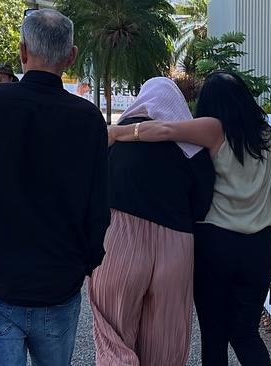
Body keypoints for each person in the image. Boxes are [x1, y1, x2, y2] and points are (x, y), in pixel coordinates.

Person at [0, 9, 110, 366]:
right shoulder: (88, 120)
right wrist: (87, 260)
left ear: (22, 52)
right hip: (59, 285)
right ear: (71, 56)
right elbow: (99, 205)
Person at [108, 71, 271, 366]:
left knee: (214, 334)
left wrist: (117, 133)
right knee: (246, 333)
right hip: (261, 246)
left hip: (217, 242)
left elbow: (162, 131)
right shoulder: (267, 134)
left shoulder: (215, 128)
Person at [89, 77, 215, 366]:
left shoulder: (115, 140)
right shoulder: (193, 149)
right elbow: (203, 203)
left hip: (120, 240)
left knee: (114, 337)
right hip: (176, 246)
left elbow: (92, 193)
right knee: (166, 347)